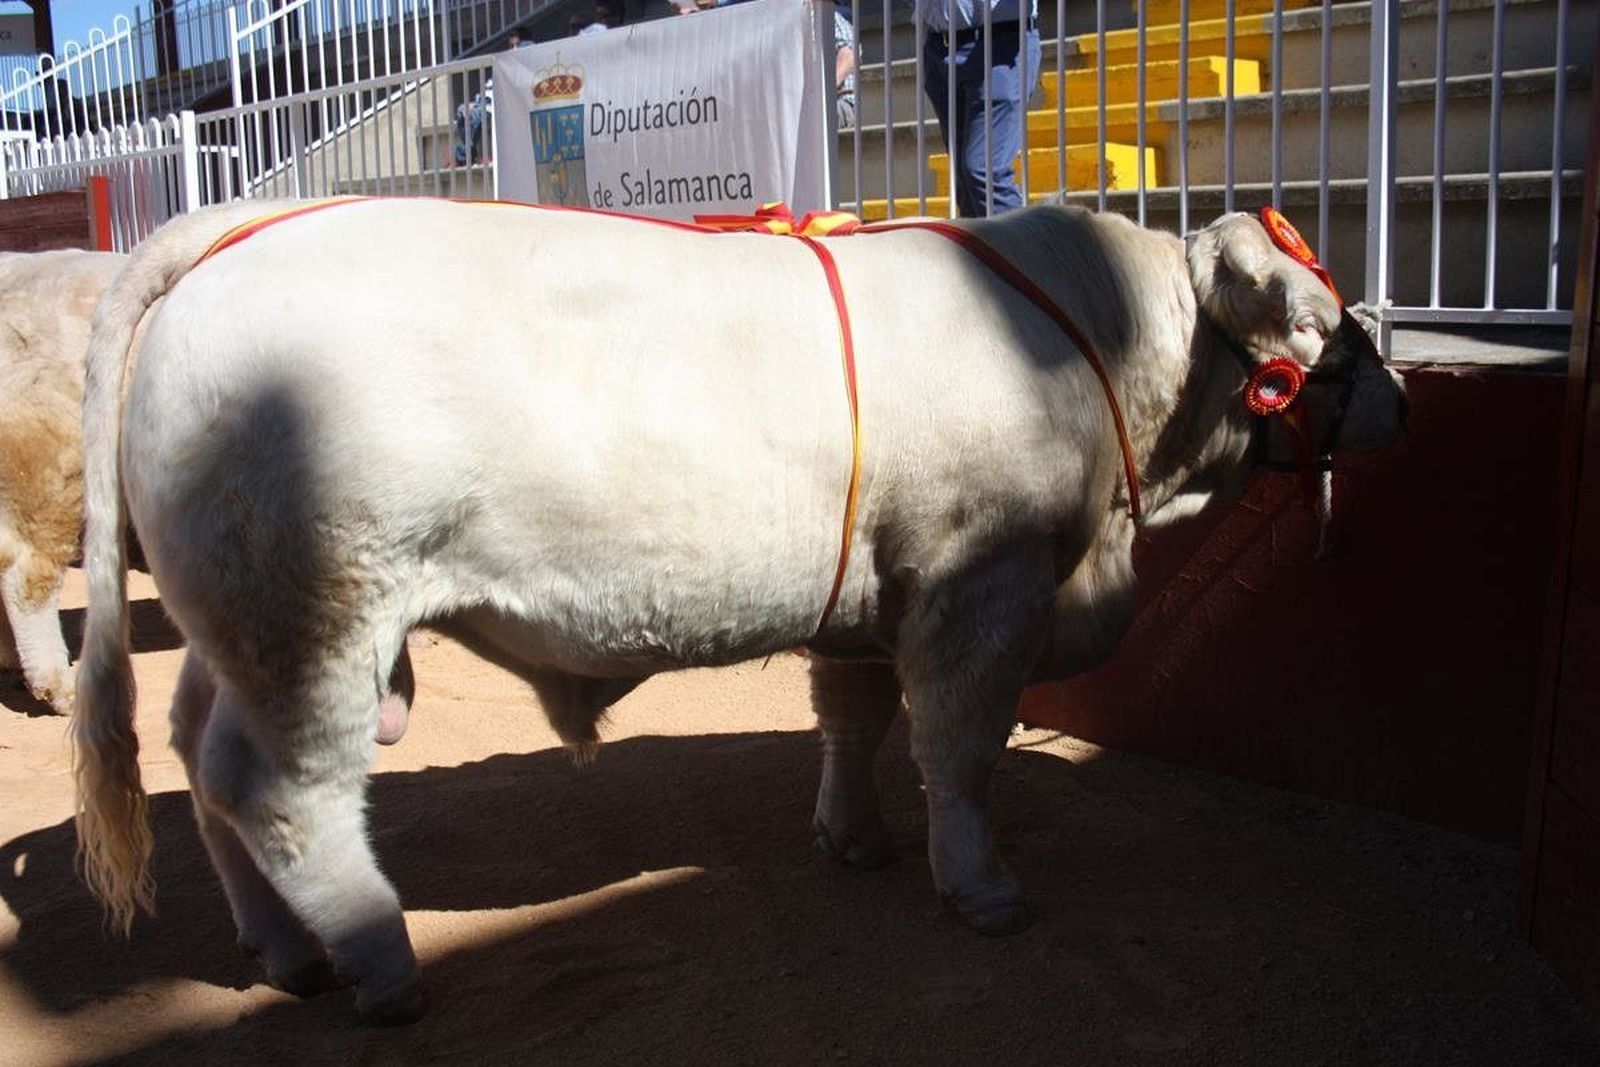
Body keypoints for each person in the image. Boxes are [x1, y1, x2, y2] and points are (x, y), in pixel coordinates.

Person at [915, 0, 1040, 217]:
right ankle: (981, 239)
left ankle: (1022, 239)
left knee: (984, 170)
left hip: (1000, 41)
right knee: (963, 179)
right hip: (939, 46)